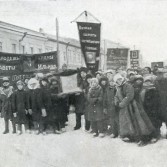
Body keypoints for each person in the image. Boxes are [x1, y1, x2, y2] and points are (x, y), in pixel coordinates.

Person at [141, 75, 162, 142]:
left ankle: (155, 136)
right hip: (146, 109)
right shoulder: (143, 89)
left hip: (154, 110)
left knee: (155, 123)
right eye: (146, 82)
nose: (147, 83)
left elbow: (157, 101)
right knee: (147, 123)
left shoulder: (154, 90)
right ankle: (148, 136)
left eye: (149, 81)